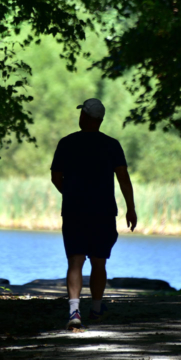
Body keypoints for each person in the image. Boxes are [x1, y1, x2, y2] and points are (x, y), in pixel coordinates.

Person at [51, 98, 138, 329]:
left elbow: (56, 177)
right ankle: (97, 310)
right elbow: (123, 178)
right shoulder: (112, 145)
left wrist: (69, 193)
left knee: (75, 262)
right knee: (99, 263)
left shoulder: (66, 143)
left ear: (84, 117)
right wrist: (131, 208)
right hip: (104, 212)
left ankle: (74, 313)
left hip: (74, 211)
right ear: (100, 120)